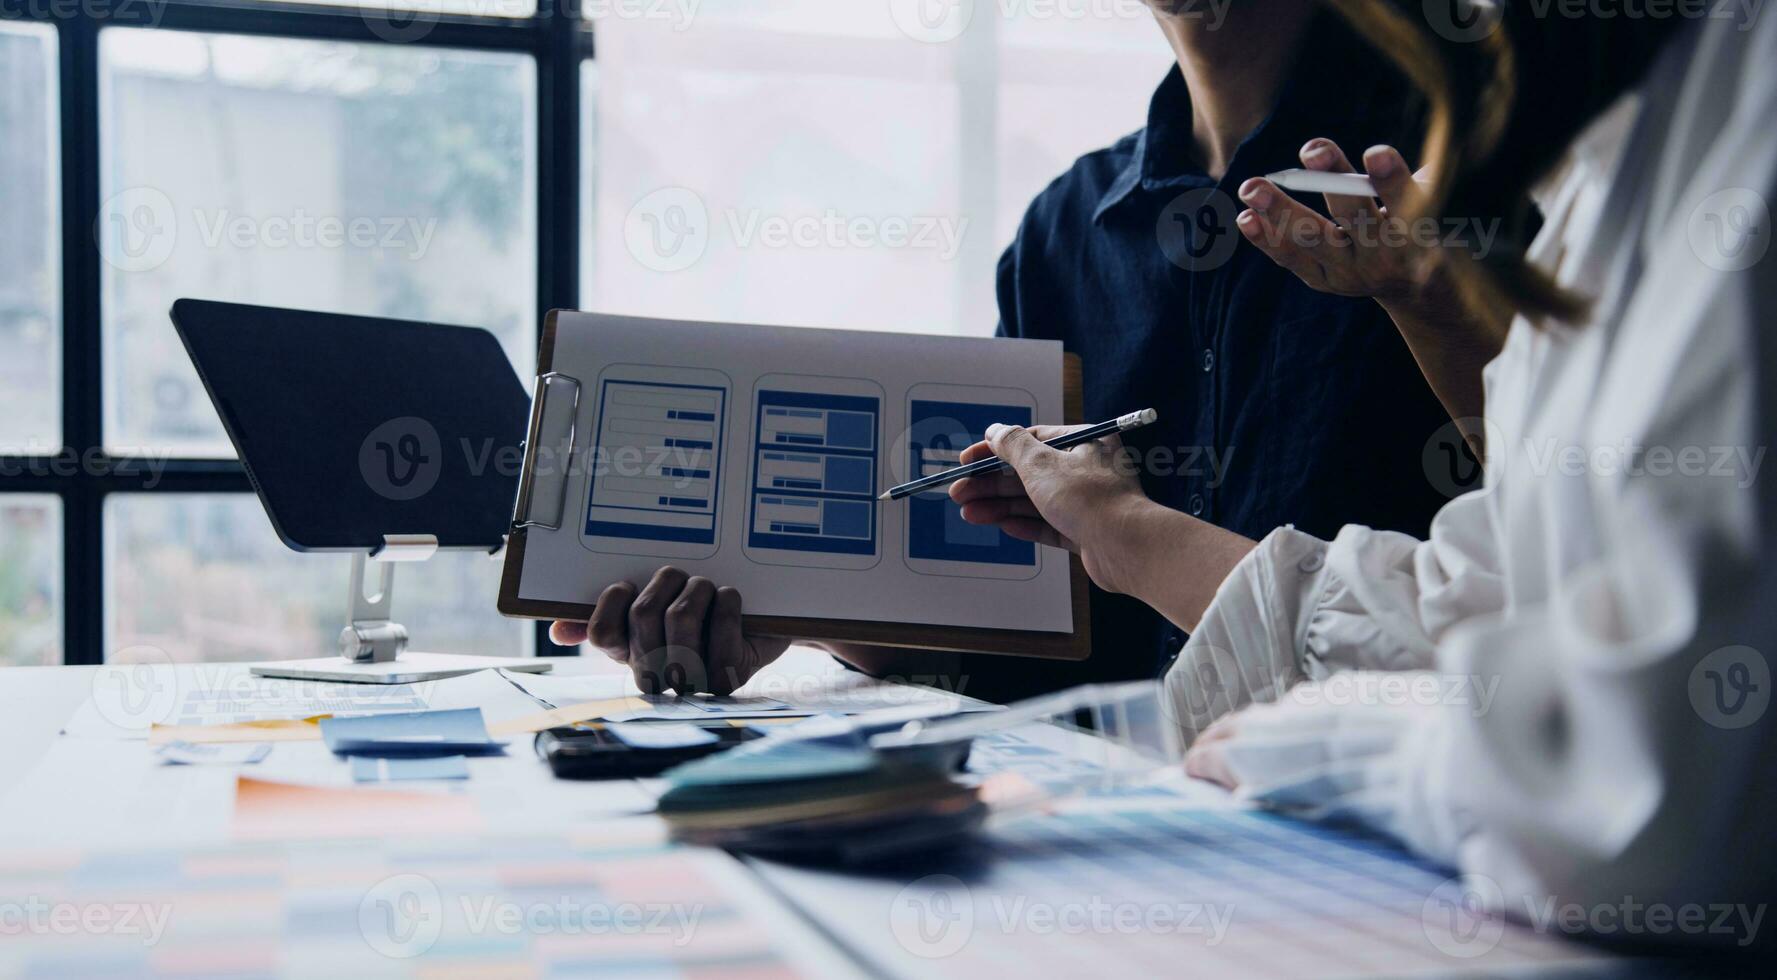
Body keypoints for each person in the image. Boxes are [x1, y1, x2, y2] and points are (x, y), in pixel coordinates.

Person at [953, 0, 1776, 942]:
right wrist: (847, 619)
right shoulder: (1062, 227)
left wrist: (1333, 738)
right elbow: (1488, 589)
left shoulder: (1489, 157)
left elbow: (1633, 786)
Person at [552, 0, 1474, 702]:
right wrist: (811, 621)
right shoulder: (1062, 230)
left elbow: (1562, 563)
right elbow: (1022, 634)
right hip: (1114, 840)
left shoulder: (1465, 185)